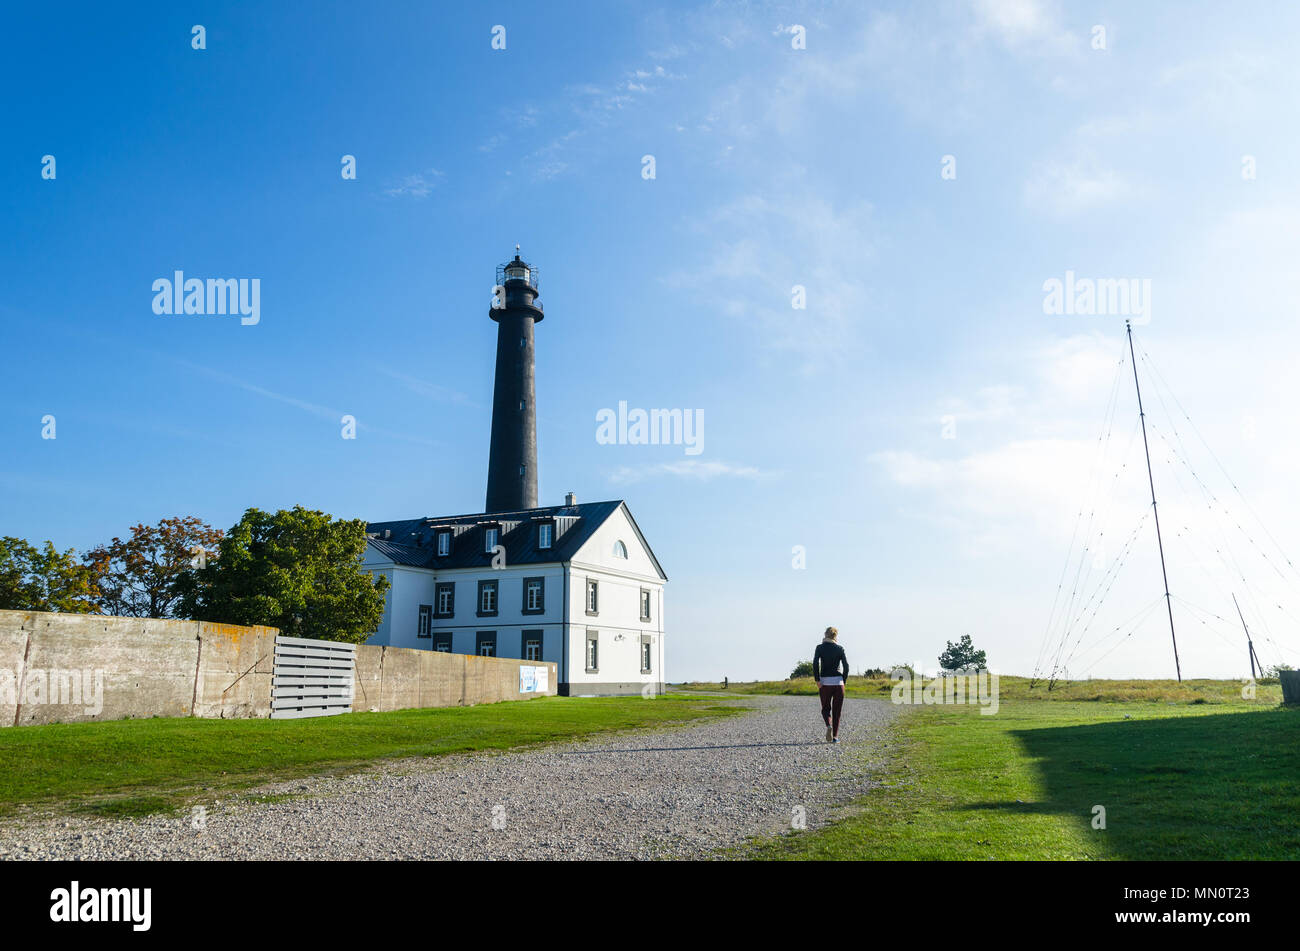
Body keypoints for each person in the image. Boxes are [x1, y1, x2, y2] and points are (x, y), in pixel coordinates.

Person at [812, 626, 849, 743]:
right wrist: (843, 680)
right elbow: (846, 666)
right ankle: (835, 737)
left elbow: (815, 664)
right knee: (837, 711)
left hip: (825, 683)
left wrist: (817, 680)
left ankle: (829, 725)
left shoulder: (819, 648)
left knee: (825, 709)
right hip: (838, 683)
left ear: (825, 634)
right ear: (835, 636)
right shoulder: (840, 648)